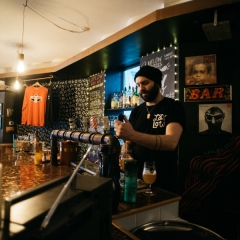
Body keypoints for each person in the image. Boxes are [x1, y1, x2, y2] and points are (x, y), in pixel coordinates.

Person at [114, 65, 186, 193]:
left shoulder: (173, 106)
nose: (141, 88)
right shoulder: (136, 111)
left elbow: (171, 142)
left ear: (157, 82)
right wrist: (126, 154)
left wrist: (133, 135)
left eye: (145, 83)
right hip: (136, 181)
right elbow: (128, 144)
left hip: (164, 181)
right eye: (138, 85)